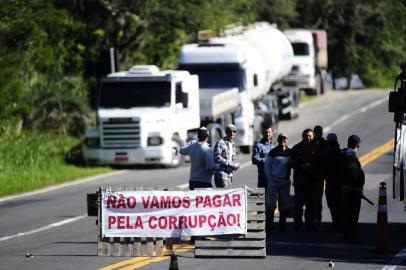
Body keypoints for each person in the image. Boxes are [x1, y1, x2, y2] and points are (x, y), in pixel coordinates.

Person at [264, 133, 293, 233]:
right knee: (270, 204)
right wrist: (270, 179)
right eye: (281, 139)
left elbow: (295, 163)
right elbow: (267, 166)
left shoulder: (290, 152)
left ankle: (282, 226)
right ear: (278, 140)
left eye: (285, 139)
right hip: (273, 182)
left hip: (284, 182)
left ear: (287, 140)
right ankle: (269, 226)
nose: (283, 141)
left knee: (284, 204)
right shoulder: (273, 152)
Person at [341, 134, 365, 244]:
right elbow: (353, 173)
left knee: (347, 213)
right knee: (353, 214)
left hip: (346, 187)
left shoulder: (343, 152)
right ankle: (352, 236)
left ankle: (348, 235)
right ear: (357, 145)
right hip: (351, 189)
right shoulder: (350, 155)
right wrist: (357, 186)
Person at [292, 128, 317, 231]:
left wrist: (311, 166)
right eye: (306, 136)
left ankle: (309, 224)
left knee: (310, 205)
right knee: (298, 205)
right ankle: (297, 224)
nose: (308, 137)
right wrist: (301, 166)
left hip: (311, 182)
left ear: (313, 137)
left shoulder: (317, 148)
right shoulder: (296, 148)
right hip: (299, 182)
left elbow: (320, 163)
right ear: (303, 136)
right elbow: (291, 163)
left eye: (310, 136)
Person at [323, 133, 343, 232]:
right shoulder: (339, 152)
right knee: (337, 204)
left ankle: (337, 224)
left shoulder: (329, 153)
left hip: (332, 183)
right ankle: (338, 224)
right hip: (337, 182)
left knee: (333, 204)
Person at [313, 125, 327, 225]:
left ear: (322, 133)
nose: (318, 133)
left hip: (320, 176)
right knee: (310, 198)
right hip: (310, 176)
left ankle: (318, 217)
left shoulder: (325, 144)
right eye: (316, 131)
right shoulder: (310, 143)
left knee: (318, 198)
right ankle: (311, 217)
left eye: (319, 132)